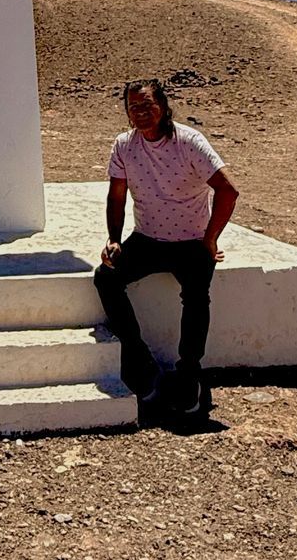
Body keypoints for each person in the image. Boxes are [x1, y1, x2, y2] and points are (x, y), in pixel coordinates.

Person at [93, 78, 239, 422]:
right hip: (147, 239)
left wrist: (211, 238)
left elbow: (228, 190)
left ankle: (189, 375)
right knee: (106, 278)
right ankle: (139, 359)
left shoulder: (189, 142)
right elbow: (117, 196)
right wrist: (114, 239)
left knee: (196, 296)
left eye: (148, 106)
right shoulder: (124, 146)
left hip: (191, 242)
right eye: (134, 108)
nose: (142, 114)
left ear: (163, 106)